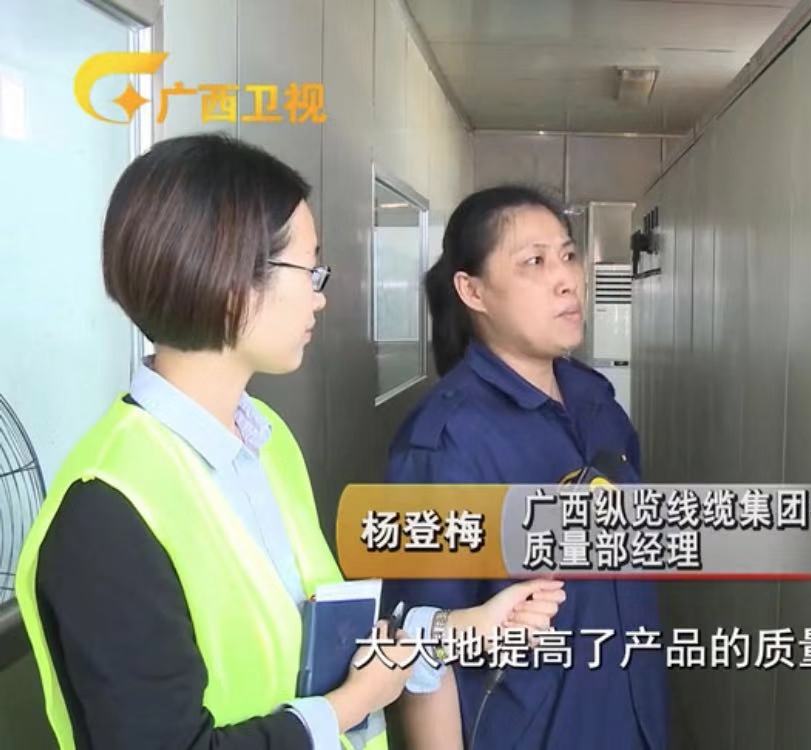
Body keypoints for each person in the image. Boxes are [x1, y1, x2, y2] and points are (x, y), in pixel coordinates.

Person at [14, 135, 563, 750]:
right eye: (310, 269)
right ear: (229, 276)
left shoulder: (265, 442)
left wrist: (457, 630)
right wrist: (350, 705)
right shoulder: (107, 509)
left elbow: (316, 643)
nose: (320, 296)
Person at [386, 186, 668, 749]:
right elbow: (421, 653)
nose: (567, 280)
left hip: (632, 719)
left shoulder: (597, 403)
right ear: (473, 291)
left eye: (568, 256)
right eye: (534, 262)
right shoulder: (444, 444)